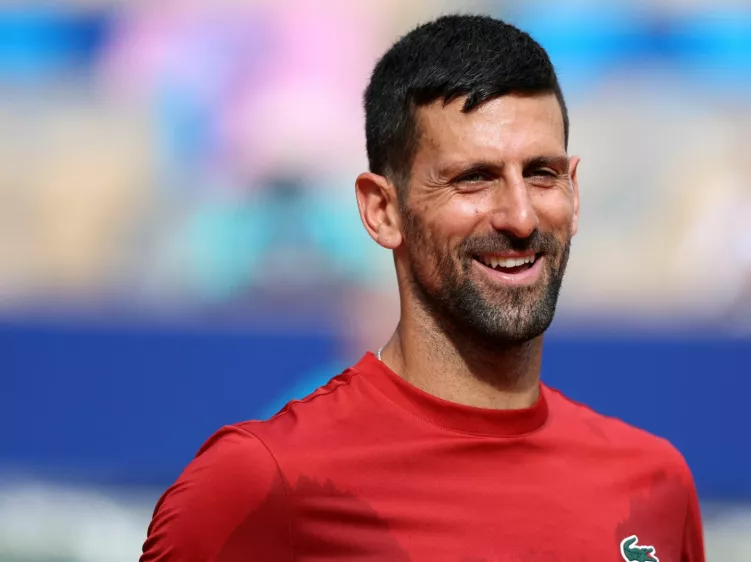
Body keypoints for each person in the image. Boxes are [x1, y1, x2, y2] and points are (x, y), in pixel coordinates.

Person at [141, 14, 704, 562]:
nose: (521, 216)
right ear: (382, 210)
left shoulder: (655, 482)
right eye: (473, 179)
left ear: (574, 193)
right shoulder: (262, 480)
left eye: (541, 174)